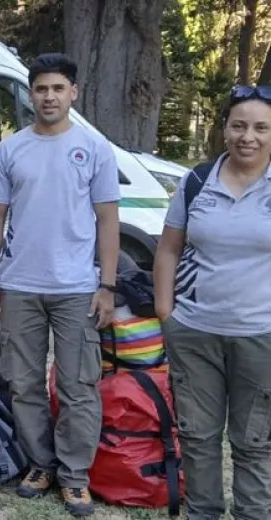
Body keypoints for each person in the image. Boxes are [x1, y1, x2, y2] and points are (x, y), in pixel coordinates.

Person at [0, 53, 120, 517]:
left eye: (58, 88)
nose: (49, 97)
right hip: (19, 284)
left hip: (77, 287)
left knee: (79, 386)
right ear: (31, 94)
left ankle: (75, 476)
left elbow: (107, 220)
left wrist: (107, 285)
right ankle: (41, 465)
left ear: (73, 92)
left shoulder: (94, 148)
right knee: (23, 383)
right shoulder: (12, 149)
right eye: (41, 89)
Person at [153, 84, 271, 520]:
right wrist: (166, 314)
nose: (248, 137)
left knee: (255, 441)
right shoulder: (197, 181)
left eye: (261, 128)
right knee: (198, 436)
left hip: (262, 336)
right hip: (195, 332)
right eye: (238, 126)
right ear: (224, 129)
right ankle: (202, 513)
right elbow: (168, 250)